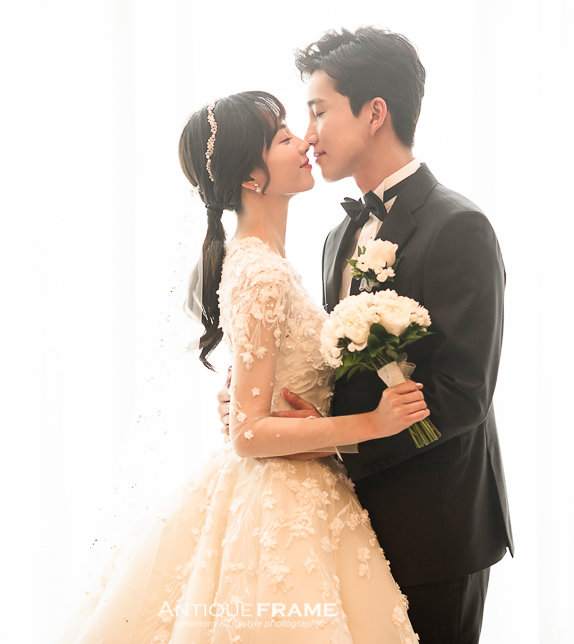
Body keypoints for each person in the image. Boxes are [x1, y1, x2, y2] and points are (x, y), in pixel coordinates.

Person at [53, 91, 429, 644]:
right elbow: (248, 434)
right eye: (284, 138)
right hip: (283, 495)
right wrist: (372, 423)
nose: (304, 142)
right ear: (252, 177)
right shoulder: (259, 272)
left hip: (305, 480)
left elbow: (253, 407)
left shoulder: (269, 261)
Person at [217, 28, 513, 644]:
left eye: (318, 111)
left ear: (375, 113)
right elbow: (336, 364)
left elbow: (464, 394)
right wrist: (261, 402)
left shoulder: (459, 227)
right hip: (344, 531)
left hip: (436, 531)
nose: (308, 134)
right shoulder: (336, 238)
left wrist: (344, 443)